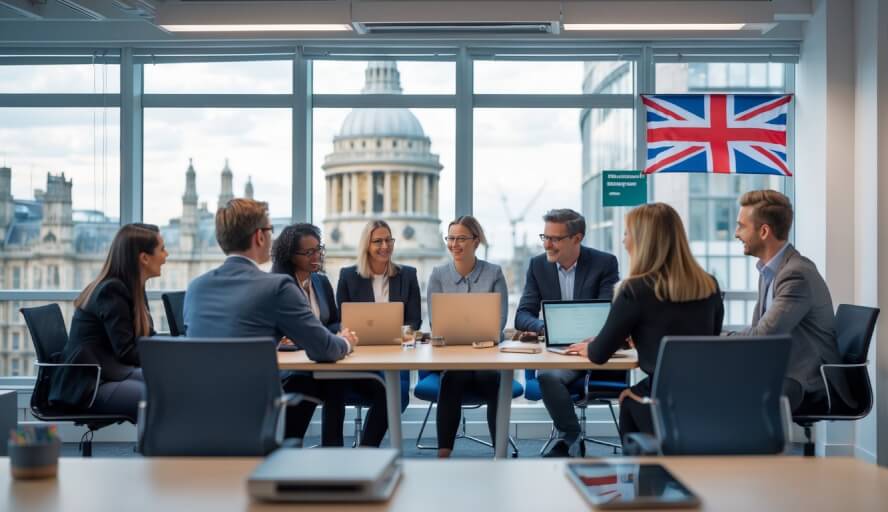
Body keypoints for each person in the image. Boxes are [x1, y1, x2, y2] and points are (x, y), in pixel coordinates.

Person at [184, 199, 357, 444]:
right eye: (270, 231)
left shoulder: (196, 288)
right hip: (256, 414)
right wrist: (346, 342)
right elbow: (325, 350)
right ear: (259, 237)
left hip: (197, 415)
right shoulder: (277, 287)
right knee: (325, 384)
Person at [568, 203, 724, 447]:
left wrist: (589, 346)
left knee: (628, 398)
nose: (623, 241)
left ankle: (640, 477)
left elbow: (599, 355)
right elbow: (709, 338)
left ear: (643, 240)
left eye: (626, 233)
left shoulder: (634, 290)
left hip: (660, 397)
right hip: (707, 396)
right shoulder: (709, 285)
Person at [733, 190, 852, 414]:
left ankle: (755, 448)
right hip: (787, 369)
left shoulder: (796, 274)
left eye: (741, 226)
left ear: (764, 231)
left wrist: (718, 336)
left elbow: (763, 336)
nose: (736, 233)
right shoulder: (770, 270)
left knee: (739, 393)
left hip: (811, 380)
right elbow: (759, 332)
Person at [513, 208, 620, 457]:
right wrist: (545, 328)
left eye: (555, 238)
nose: (547, 244)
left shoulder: (604, 263)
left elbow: (609, 313)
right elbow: (522, 315)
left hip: (593, 350)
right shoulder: (538, 265)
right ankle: (570, 434)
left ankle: (567, 439)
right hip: (557, 352)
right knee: (547, 375)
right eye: (545, 237)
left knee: (549, 376)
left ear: (577, 238)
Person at [271, 223, 387, 447]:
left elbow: (332, 321)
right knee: (325, 385)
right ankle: (325, 450)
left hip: (327, 359)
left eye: (319, 249)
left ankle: (363, 450)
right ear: (290, 255)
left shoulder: (320, 282)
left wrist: (339, 333)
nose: (317, 256)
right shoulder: (278, 286)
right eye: (309, 252)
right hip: (296, 370)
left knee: (382, 390)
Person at [49, 223, 168, 420]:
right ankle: (159, 449)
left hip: (109, 371)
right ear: (144, 258)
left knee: (167, 384)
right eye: (162, 249)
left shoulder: (134, 287)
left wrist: (175, 346)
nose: (167, 255)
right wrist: (168, 356)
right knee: (157, 394)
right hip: (90, 383)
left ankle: (166, 448)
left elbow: (146, 337)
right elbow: (127, 351)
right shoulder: (111, 291)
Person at [427, 216, 509, 458]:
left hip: (487, 358)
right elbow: (436, 324)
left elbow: (499, 322)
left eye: (462, 238)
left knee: (492, 380)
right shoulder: (438, 275)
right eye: (451, 238)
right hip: (453, 358)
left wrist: (484, 340)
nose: (455, 244)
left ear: (476, 241)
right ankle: (444, 452)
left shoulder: (494, 273)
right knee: (453, 375)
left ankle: (499, 452)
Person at [336, 219, 422, 331]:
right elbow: (342, 320)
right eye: (378, 241)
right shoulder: (348, 277)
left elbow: (414, 320)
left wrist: (397, 336)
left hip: (398, 344)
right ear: (367, 245)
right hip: (362, 344)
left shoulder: (408, 275)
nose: (385, 246)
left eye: (388, 240)